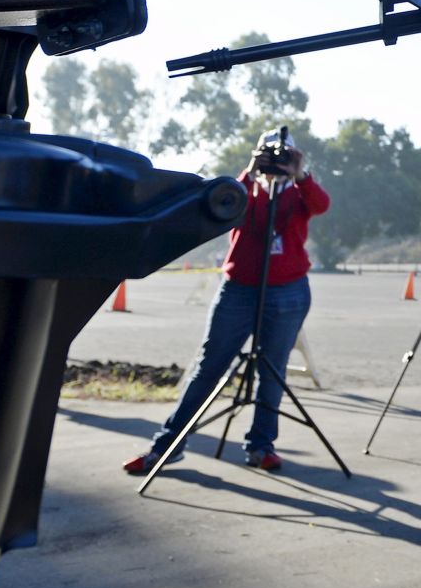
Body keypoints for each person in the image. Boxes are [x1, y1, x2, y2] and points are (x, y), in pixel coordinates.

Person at [123, 128, 330, 475]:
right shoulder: (244, 190)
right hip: (239, 289)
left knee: (272, 371)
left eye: (284, 157)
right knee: (209, 367)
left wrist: (301, 174)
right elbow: (221, 206)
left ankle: (261, 446)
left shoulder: (298, 193)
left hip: (288, 289)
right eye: (270, 156)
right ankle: (168, 445)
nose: (276, 162)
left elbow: (321, 205)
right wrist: (250, 171)